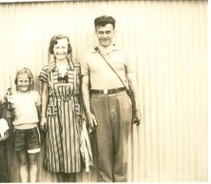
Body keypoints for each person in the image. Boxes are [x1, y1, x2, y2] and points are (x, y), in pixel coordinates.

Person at [81, 15, 142, 182]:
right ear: (96, 33)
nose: (105, 36)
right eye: (101, 32)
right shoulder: (87, 56)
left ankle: (121, 181)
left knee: (122, 147)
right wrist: (88, 112)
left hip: (121, 99)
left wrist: (137, 107)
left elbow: (132, 81)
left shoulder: (124, 53)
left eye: (108, 32)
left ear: (114, 32)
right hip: (98, 100)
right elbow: (84, 86)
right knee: (102, 147)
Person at [39, 34, 83, 182]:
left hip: (72, 109)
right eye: (57, 47)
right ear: (52, 49)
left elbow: (83, 91)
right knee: (55, 149)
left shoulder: (76, 67)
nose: (60, 50)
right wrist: (43, 116)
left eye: (63, 47)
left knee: (72, 149)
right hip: (54, 110)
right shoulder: (48, 69)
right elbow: (44, 93)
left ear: (68, 48)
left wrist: (83, 113)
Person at [10, 67, 41, 183]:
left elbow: (39, 111)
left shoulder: (35, 95)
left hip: (32, 130)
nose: (23, 84)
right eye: (20, 81)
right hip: (18, 131)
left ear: (31, 81)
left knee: (33, 161)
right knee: (22, 162)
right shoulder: (12, 97)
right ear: (16, 82)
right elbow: (10, 116)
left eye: (26, 81)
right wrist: (9, 111)